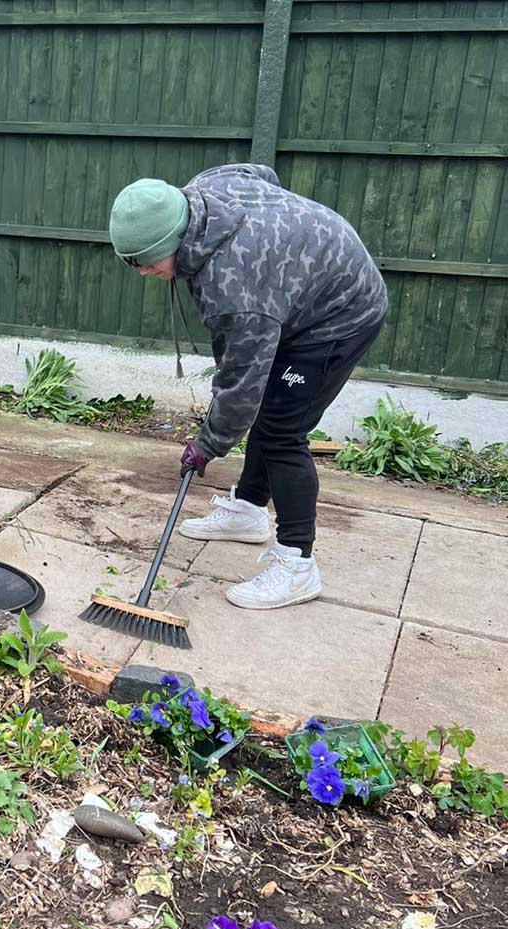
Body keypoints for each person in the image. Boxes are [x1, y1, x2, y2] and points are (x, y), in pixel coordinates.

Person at [108, 165, 387, 610]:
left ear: (176, 240)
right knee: (270, 410)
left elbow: (241, 387)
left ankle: (297, 565)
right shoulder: (204, 191)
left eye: (148, 260)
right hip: (293, 296)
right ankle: (249, 509)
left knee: (282, 431)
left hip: (340, 313)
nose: (142, 271)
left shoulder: (235, 289)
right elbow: (260, 173)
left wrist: (207, 445)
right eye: (132, 262)